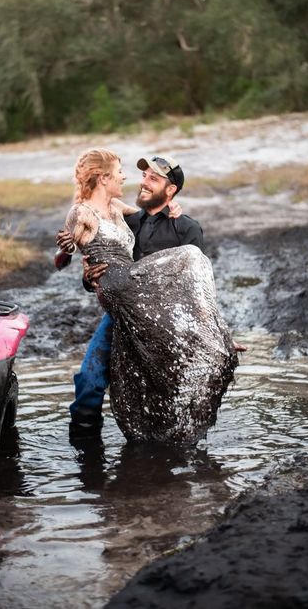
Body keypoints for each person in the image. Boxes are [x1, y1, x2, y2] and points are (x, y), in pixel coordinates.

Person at [60, 148, 238, 444]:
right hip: (123, 313)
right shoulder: (130, 220)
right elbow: (98, 249)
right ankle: (87, 458)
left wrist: (215, 332)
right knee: (90, 381)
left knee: (166, 383)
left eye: (153, 179)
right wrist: (87, 276)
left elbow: (200, 284)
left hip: (168, 320)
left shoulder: (186, 227)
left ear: (170, 190)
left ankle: (169, 450)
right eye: (144, 175)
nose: (143, 182)